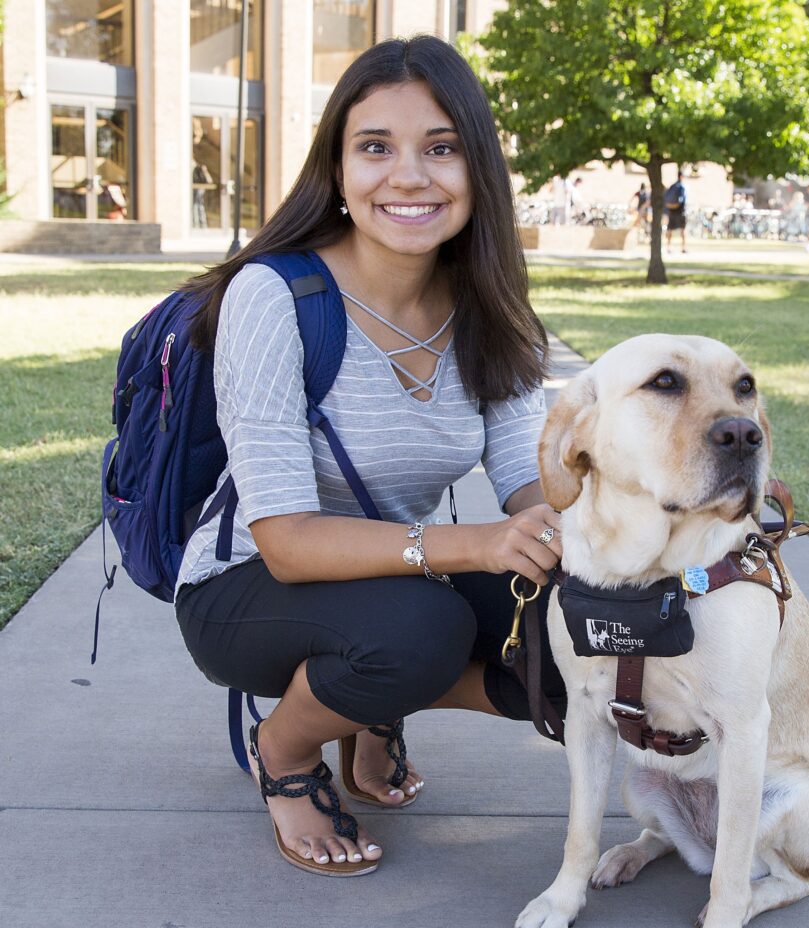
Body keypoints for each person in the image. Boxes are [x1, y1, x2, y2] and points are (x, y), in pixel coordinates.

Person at [174, 36, 566, 876]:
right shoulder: (274, 295)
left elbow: (532, 483)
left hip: (391, 578)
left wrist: (692, 489)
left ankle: (371, 703)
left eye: (441, 147)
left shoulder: (488, 307)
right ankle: (284, 749)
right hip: (248, 585)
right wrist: (478, 547)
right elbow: (284, 538)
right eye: (376, 147)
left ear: (477, 170)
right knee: (419, 629)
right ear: (339, 170)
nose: (410, 176)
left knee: (579, 636)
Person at [664, 171, 687, 253]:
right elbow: (681, 200)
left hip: (671, 211)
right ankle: (683, 248)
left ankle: (668, 247)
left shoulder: (672, 186)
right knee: (683, 230)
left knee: (670, 229)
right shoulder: (682, 187)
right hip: (680, 211)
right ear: (681, 176)